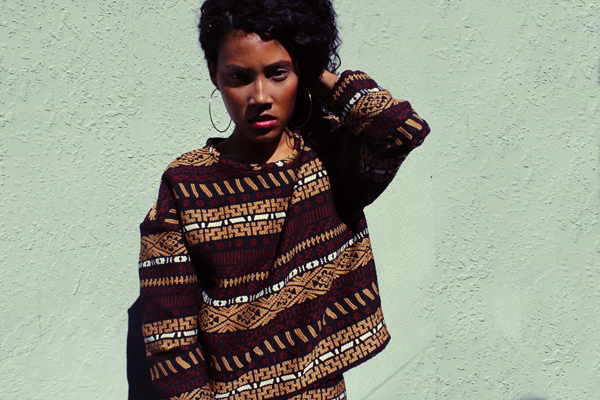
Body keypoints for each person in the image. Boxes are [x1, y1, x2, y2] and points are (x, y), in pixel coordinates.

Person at [137, 0, 430, 398]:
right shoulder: (186, 185)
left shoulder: (329, 156)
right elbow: (170, 339)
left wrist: (316, 71)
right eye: (239, 77)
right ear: (213, 74)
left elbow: (399, 128)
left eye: (277, 73)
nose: (260, 95)